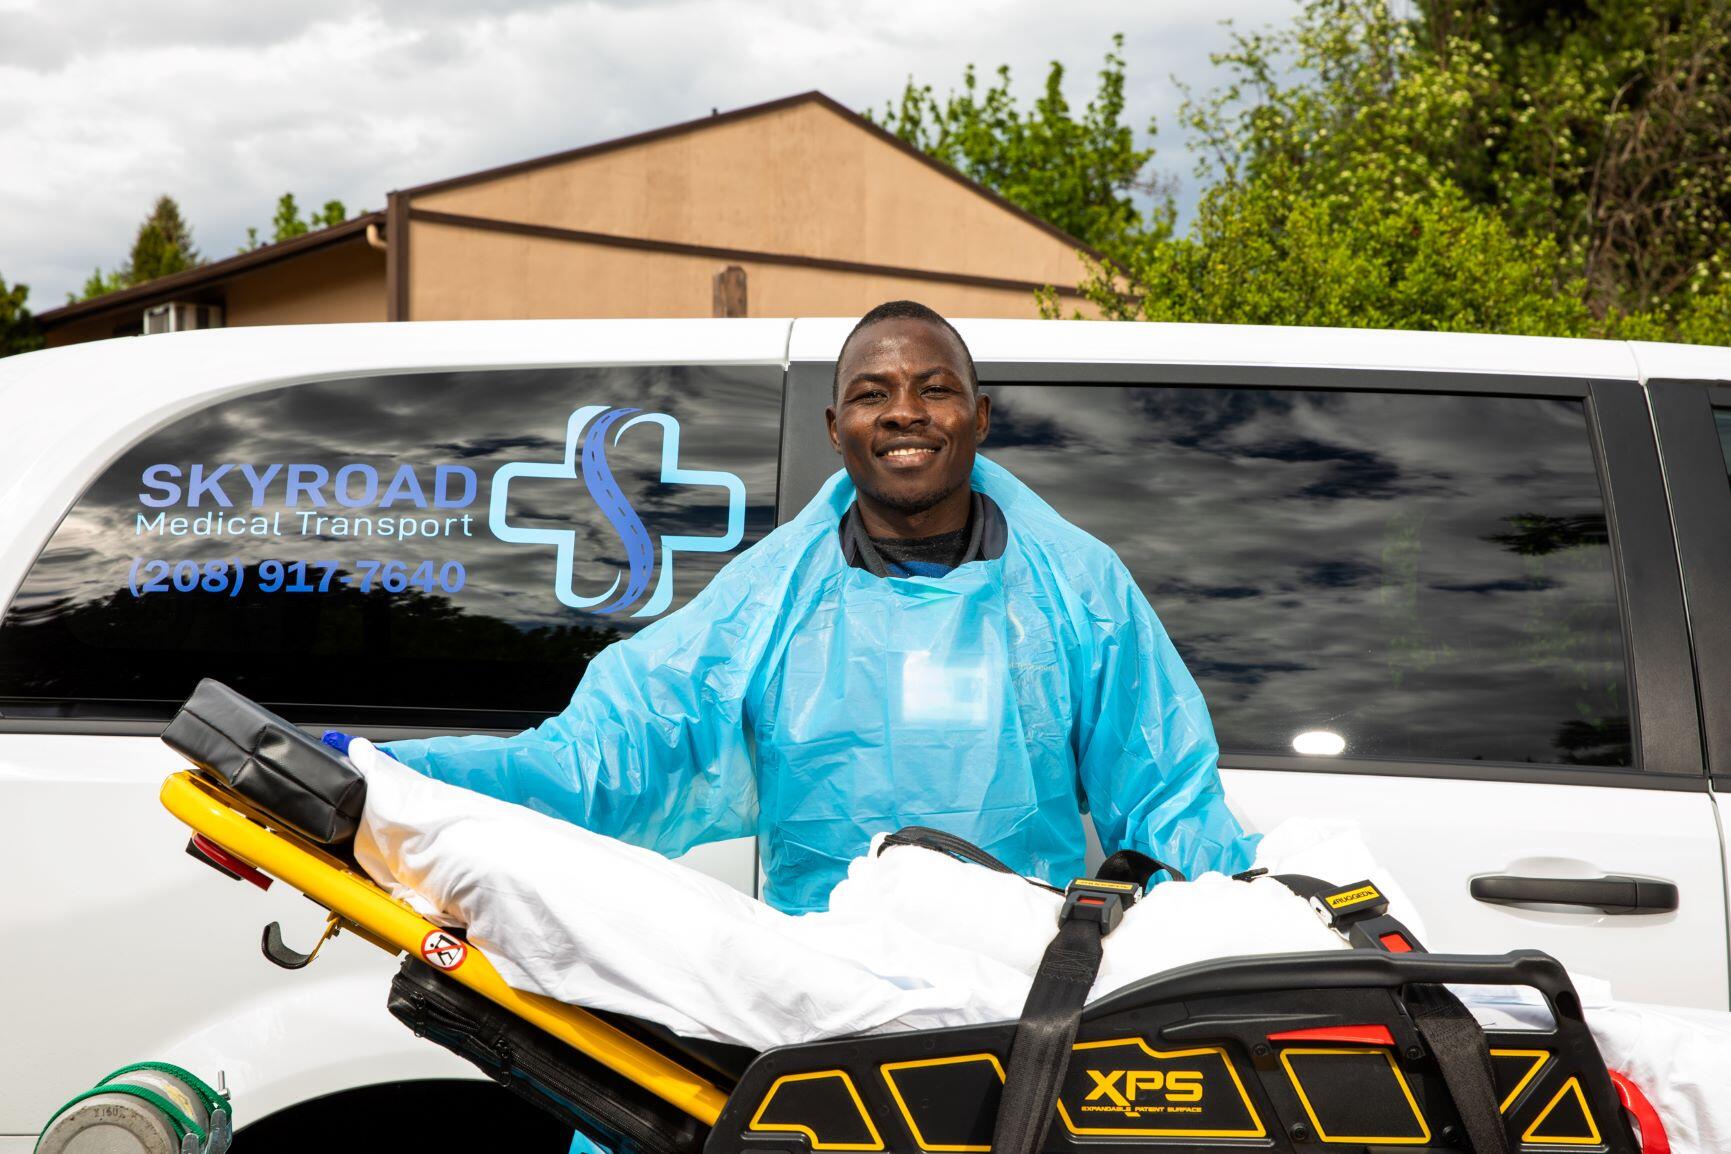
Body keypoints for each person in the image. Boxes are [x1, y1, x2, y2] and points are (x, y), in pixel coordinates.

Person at [376, 300, 1258, 916]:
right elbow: (601, 760)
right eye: (874, 394)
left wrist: (1247, 937)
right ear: (836, 427)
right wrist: (383, 771)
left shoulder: (1078, 590)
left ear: (980, 417)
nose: (905, 413)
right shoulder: (765, 600)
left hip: (1019, 993)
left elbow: (1168, 795)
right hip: (822, 999)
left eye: (935, 389)